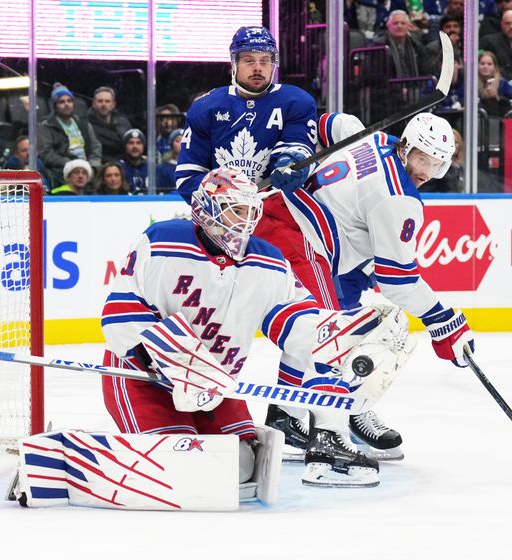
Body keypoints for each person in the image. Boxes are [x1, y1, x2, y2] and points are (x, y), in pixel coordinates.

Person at [176, 26, 401, 485]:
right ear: (234, 62)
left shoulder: (294, 101)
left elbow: (295, 147)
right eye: (249, 59)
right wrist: (219, 198)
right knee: (207, 317)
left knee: (320, 318)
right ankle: (202, 411)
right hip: (219, 225)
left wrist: (286, 168)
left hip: (282, 220)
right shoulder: (205, 107)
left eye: (265, 59)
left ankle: (323, 424)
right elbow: (187, 172)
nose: (257, 67)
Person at [101, 167, 410, 488]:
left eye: (251, 211)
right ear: (208, 209)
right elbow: (120, 311)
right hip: (142, 377)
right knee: (180, 465)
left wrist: (341, 342)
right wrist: (165, 360)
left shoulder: (267, 261)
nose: (245, 222)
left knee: (242, 468)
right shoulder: (163, 241)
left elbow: (299, 326)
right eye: (236, 210)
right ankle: (110, 462)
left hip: (216, 384)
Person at [286, 112, 476, 391]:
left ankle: (323, 411)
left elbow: (325, 123)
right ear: (407, 147)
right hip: (303, 251)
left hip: (290, 221)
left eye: (437, 164)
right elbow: (398, 280)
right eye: (423, 159)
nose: (426, 171)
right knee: (332, 342)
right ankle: (325, 420)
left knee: (341, 319)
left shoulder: (373, 137)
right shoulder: (400, 198)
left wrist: (295, 153)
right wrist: (443, 320)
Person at [38, 82, 102, 188]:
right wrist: (71, 165)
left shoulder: (84, 124)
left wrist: (93, 167)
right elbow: (47, 154)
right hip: (61, 172)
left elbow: (96, 147)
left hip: (87, 170)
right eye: (61, 102)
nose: (66, 104)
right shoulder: (46, 126)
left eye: (69, 101)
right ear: (55, 106)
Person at [480, 10, 512, 92]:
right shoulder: (490, 41)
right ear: (502, 25)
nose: (511, 27)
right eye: (508, 23)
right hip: (500, 87)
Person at [87, 86, 132, 163]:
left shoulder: (123, 122)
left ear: (113, 104)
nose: (103, 104)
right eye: (100, 101)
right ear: (93, 104)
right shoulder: (86, 123)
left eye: (107, 101)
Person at [478, 50, 512, 117]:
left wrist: (498, 98)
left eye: (489, 64)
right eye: (482, 64)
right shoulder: (471, 84)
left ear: (495, 67)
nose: (485, 66)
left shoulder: (503, 84)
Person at [117, 128, 148, 193]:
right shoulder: (118, 168)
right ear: (125, 146)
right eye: (131, 143)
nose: (135, 146)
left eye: (138, 143)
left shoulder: (152, 168)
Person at [155, 128, 182, 193]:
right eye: (178, 141)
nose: (182, 144)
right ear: (171, 145)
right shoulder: (162, 168)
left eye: (185, 140)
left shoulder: (197, 166)